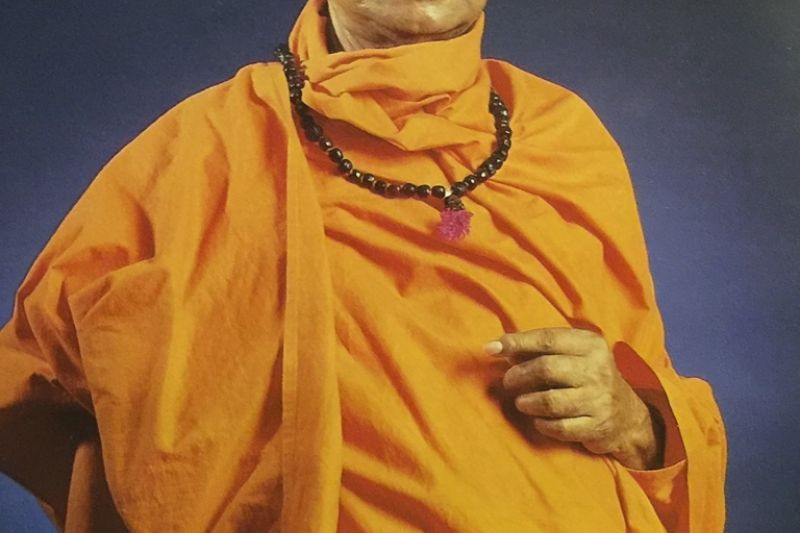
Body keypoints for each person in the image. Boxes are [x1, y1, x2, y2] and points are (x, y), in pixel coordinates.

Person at [0, 0, 726, 531]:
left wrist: (630, 418)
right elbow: (29, 390)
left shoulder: (564, 138)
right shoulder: (195, 153)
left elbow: (649, 416)